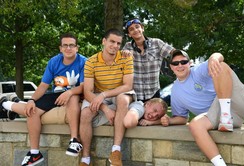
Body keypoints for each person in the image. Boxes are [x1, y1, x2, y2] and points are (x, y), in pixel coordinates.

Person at [0, 33, 87, 166]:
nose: (68, 48)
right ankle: (34, 153)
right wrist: (31, 100)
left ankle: (74, 140)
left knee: (73, 97)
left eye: (71, 45)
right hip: (55, 95)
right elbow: (43, 86)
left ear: (77, 48)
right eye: (65, 45)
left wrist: (69, 92)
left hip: (75, 95)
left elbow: (83, 87)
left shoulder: (84, 62)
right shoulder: (54, 61)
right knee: (31, 111)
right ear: (60, 48)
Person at [160, 49, 244, 166]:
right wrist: (169, 120)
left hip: (237, 101)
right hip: (220, 117)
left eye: (183, 62)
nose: (180, 65)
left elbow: (218, 56)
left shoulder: (198, 71)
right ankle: (220, 164)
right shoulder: (175, 91)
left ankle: (226, 115)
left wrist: (214, 58)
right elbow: (182, 118)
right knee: (195, 125)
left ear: (189, 63)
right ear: (171, 67)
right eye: (175, 63)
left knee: (220, 65)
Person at [79, 28, 134, 166]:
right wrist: (105, 108)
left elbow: (127, 86)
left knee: (122, 98)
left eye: (118, 43)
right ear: (104, 41)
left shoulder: (126, 58)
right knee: (85, 113)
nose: (115, 46)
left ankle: (116, 152)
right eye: (112, 41)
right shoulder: (91, 61)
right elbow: (88, 92)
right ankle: (85, 159)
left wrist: (104, 94)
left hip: (119, 93)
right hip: (98, 95)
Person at [123, 18, 175, 102]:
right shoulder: (127, 47)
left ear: (142, 28)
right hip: (136, 95)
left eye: (137, 27)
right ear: (129, 34)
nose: (135, 30)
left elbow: (173, 52)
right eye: (131, 29)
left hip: (154, 93)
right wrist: (124, 54)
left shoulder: (156, 43)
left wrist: (183, 60)